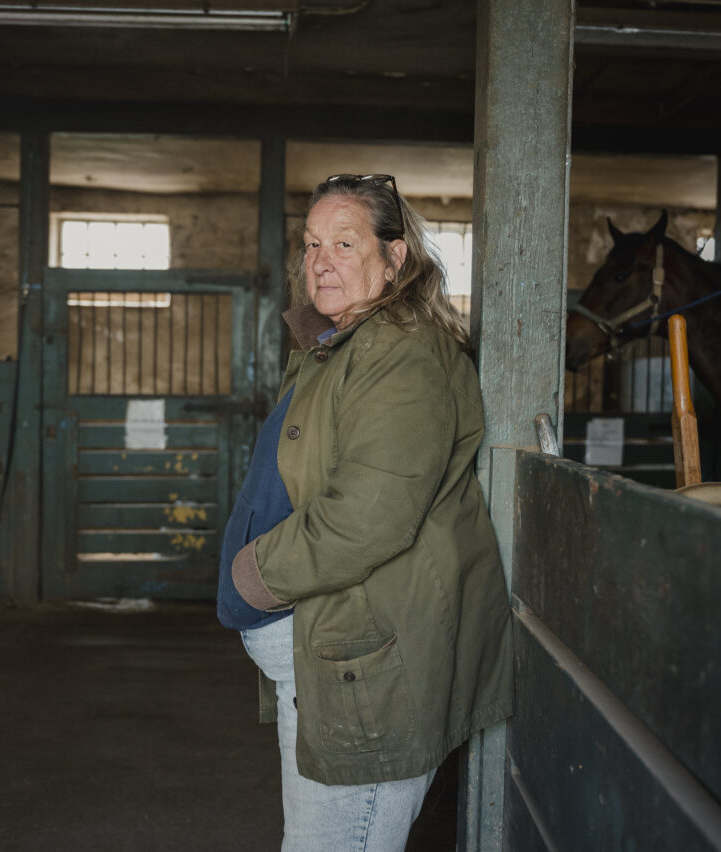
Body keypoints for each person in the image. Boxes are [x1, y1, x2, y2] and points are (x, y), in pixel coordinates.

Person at [216, 173, 513, 852]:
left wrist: (250, 579)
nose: (320, 259)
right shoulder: (340, 342)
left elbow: (370, 516)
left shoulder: (401, 353)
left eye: (344, 243)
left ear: (396, 256)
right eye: (312, 243)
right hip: (328, 648)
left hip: (365, 657)